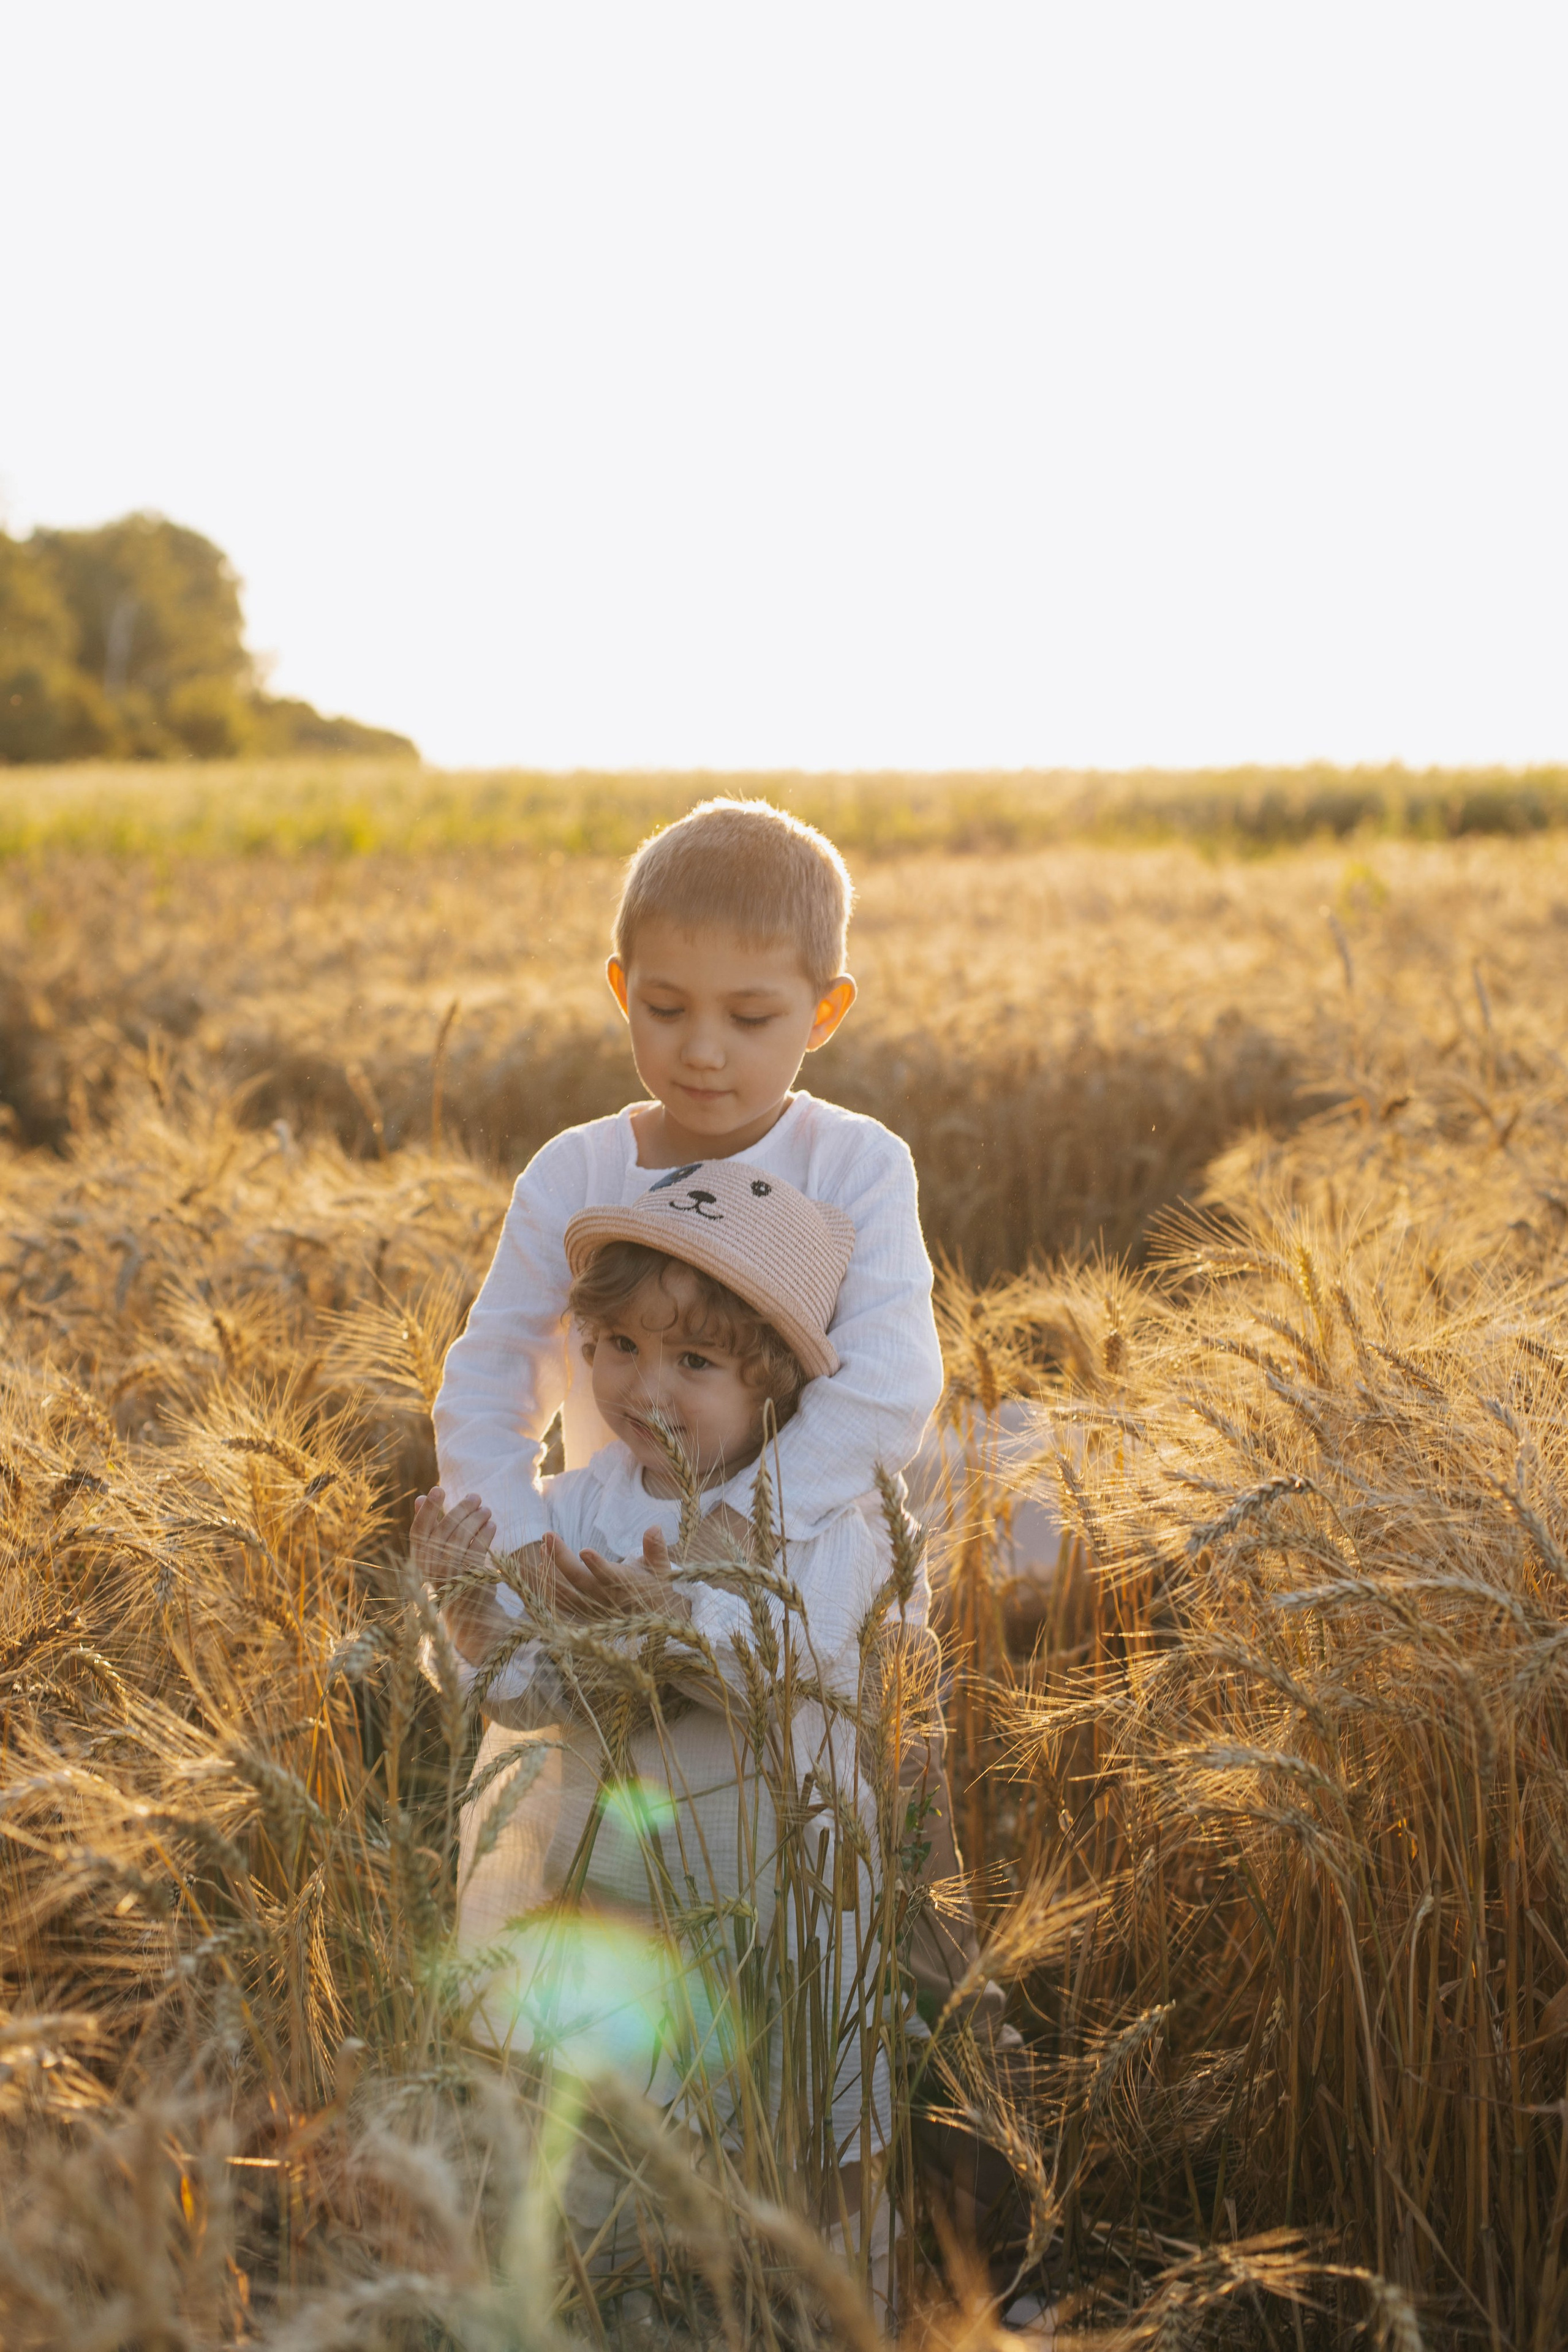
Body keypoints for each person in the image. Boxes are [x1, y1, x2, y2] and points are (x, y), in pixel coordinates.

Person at [413, 1161, 899, 2174]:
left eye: (695, 1361)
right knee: (619, 2149)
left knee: (793, 2142)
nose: (645, 1387)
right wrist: (474, 1614)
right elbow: (538, 1696)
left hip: (773, 1904)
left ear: (774, 1381)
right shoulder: (582, 1507)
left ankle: (821, 2257)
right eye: (622, 1346)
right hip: (611, 1900)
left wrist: (681, 1626)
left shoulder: (817, 1525)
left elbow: (795, 1667)